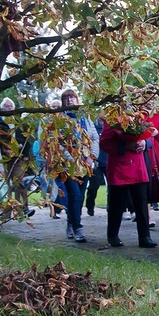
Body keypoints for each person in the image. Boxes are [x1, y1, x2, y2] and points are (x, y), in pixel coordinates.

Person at [99, 118, 157, 248]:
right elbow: (104, 143)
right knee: (117, 204)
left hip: (138, 166)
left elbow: (150, 136)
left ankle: (144, 237)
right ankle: (113, 235)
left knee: (142, 203)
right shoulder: (112, 119)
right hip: (119, 167)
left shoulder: (139, 117)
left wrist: (144, 143)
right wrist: (125, 146)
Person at [58, 89, 100, 242]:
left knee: (80, 196)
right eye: (66, 98)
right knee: (74, 195)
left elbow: (95, 137)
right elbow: (58, 142)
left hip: (86, 163)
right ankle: (78, 227)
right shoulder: (60, 118)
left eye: (72, 97)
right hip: (68, 165)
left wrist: (91, 157)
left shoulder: (85, 117)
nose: (70, 100)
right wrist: (72, 159)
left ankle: (71, 222)